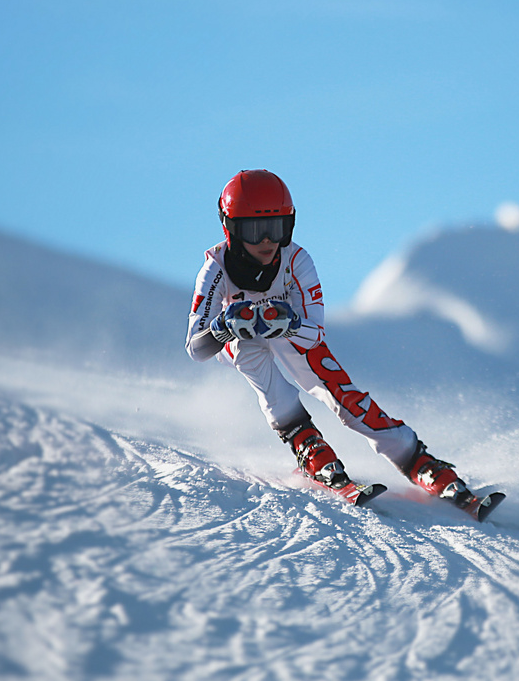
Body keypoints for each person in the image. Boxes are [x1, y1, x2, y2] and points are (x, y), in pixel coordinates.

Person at [186, 170, 498, 517]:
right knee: (249, 349)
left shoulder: (296, 260)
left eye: (276, 228)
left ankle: (417, 459)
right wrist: (223, 327)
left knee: (339, 392)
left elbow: (315, 333)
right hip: (240, 340)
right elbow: (196, 348)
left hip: (291, 333)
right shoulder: (215, 269)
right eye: (253, 230)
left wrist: (287, 323)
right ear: (230, 229)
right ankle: (306, 443)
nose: (267, 241)